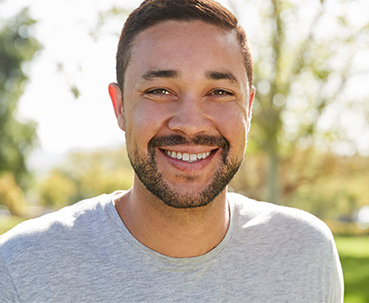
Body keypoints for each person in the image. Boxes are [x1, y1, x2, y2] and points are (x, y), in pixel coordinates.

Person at [0, 0, 343, 301]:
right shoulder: (23, 268)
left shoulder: (306, 255)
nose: (190, 124)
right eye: (161, 90)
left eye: (220, 92)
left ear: (248, 108)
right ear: (119, 107)